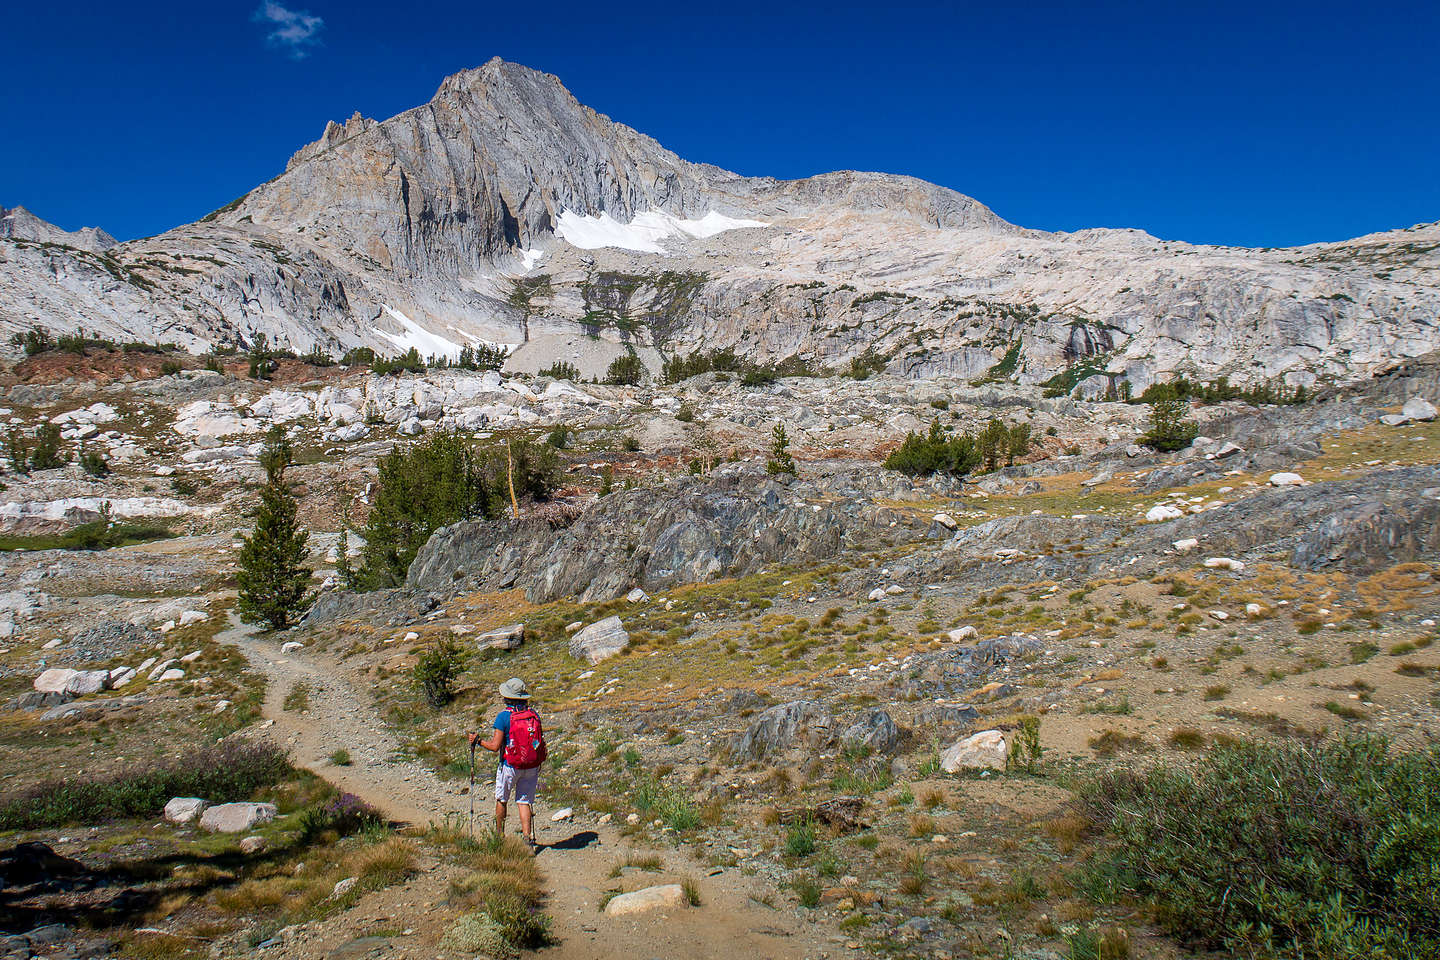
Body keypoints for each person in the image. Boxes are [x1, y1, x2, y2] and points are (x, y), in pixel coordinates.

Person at [469, 677, 546, 851]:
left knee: (502, 799)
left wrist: (478, 741)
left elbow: (495, 746)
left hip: (509, 765)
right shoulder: (534, 714)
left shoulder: (504, 716)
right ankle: (527, 840)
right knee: (524, 801)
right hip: (531, 765)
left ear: (507, 697)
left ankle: (499, 837)